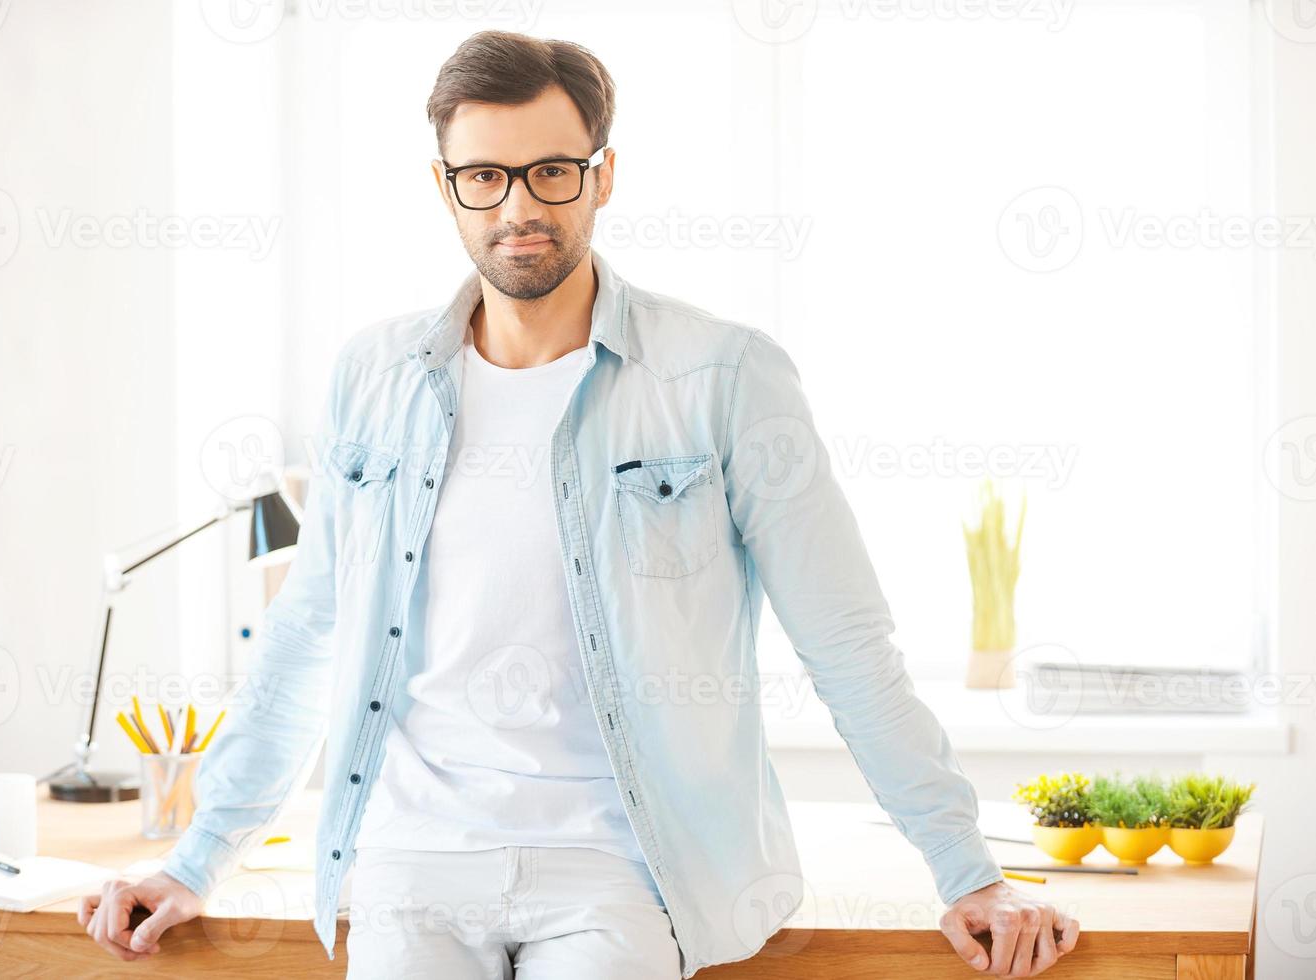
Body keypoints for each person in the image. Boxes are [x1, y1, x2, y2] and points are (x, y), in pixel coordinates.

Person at [80, 28, 1080, 979]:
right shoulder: (371, 376)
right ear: (446, 188)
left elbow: (847, 639)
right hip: (413, 862)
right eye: (485, 176)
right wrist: (197, 855)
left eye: (552, 171)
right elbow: (308, 631)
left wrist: (967, 866)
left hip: (621, 867)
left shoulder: (724, 376)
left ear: (602, 174)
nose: (520, 205)